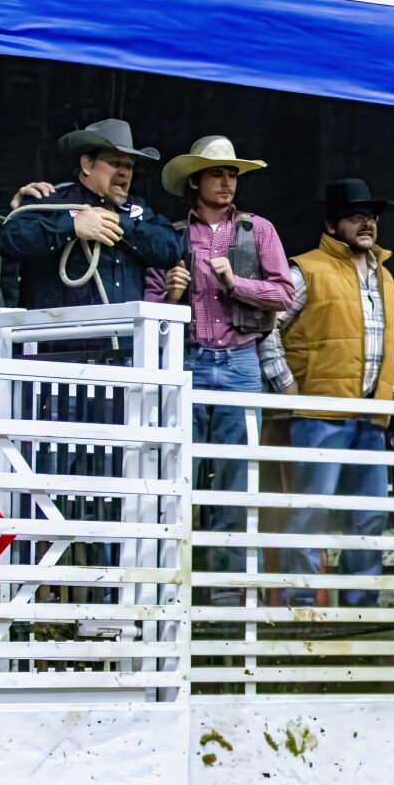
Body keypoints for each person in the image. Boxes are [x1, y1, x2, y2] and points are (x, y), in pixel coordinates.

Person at [146, 136, 295, 605]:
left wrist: (235, 282)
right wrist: (172, 295)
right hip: (187, 358)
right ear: (195, 181)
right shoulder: (169, 235)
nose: (228, 182)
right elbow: (149, 306)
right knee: (177, 473)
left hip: (240, 360)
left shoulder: (258, 230)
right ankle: (175, 586)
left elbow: (284, 294)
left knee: (236, 477)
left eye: (233, 174)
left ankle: (227, 592)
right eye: (218, 173)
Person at [261, 179, 394, 609]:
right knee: (311, 508)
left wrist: (392, 392)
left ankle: (361, 603)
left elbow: (388, 343)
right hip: (320, 410)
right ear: (332, 224)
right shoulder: (304, 270)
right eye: (356, 216)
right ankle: (299, 601)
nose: (368, 224)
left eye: (372, 217)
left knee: (370, 513)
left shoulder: (386, 277)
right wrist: (286, 384)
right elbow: (267, 327)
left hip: (370, 414)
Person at [0, 118, 181, 312]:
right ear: (87, 164)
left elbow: (172, 249)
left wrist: (121, 224)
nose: (124, 173)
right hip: (63, 337)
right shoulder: (51, 201)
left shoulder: (138, 210)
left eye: (129, 166)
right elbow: (9, 240)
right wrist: (72, 225)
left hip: (124, 337)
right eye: (115, 163)